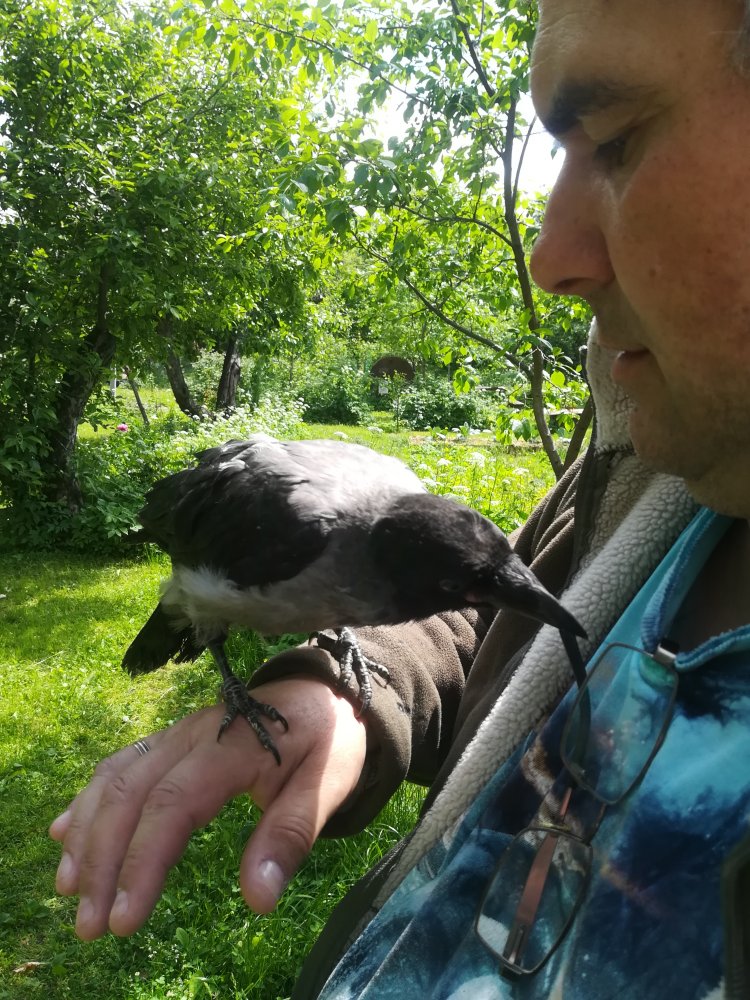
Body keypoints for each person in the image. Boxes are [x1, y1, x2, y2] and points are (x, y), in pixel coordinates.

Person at [50, 0, 750, 995]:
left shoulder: (680, 433)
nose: (550, 257)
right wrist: (346, 685)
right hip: (227, 567)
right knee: (202, 619)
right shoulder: (655, 461)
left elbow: (482, 594)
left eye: (616, 139)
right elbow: (490, 633)